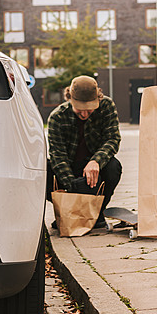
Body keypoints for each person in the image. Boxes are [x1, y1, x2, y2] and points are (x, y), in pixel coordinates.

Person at [47, 75, 122, 229]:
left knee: (114, 167)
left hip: (94, 169)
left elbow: (113, 139)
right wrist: (73, 187)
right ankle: (69, 212)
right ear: (69, 99)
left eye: (89, 109)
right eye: (80, 109)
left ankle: (97, 213)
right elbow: (58, 156)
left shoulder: (106, 106)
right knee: (44, 172)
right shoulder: (57, 117)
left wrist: (96, 161)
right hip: (70, 170)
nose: (84, 114)